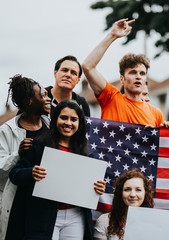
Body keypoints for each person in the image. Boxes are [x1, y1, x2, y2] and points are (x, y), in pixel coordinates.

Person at [6, 100, 105, 240]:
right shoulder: (39, 145)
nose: (68, 123)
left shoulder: (87, 153)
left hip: (75, 216)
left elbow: (91, 186)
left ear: (80, 123)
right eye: (63, 117)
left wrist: (98, 188)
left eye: (74, 119)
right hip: (44, 216)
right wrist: (31, 172)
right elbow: (14, 174)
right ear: (55, 119)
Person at [82, 19, 163, 127]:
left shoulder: (156, 114)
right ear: (122, 79)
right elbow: (88, 67)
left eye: (142, 73)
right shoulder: (111, 98)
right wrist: (112, 35)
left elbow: (160, 143)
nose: (138, 77)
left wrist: (167, 128)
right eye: (133, 72)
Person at [0, 74, 51, 240]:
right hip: (18, 203)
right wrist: (18, 154)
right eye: (42, 95)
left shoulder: (52, 125)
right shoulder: (7, 130)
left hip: (45, 203)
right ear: (30, 101)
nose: (48, 98)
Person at [93, 169, 154, 240]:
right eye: (127, 189)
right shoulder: (105, 221)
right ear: (120, 193)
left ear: (145, 193)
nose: (132, 195)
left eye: (138, 190)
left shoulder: (154, 222)